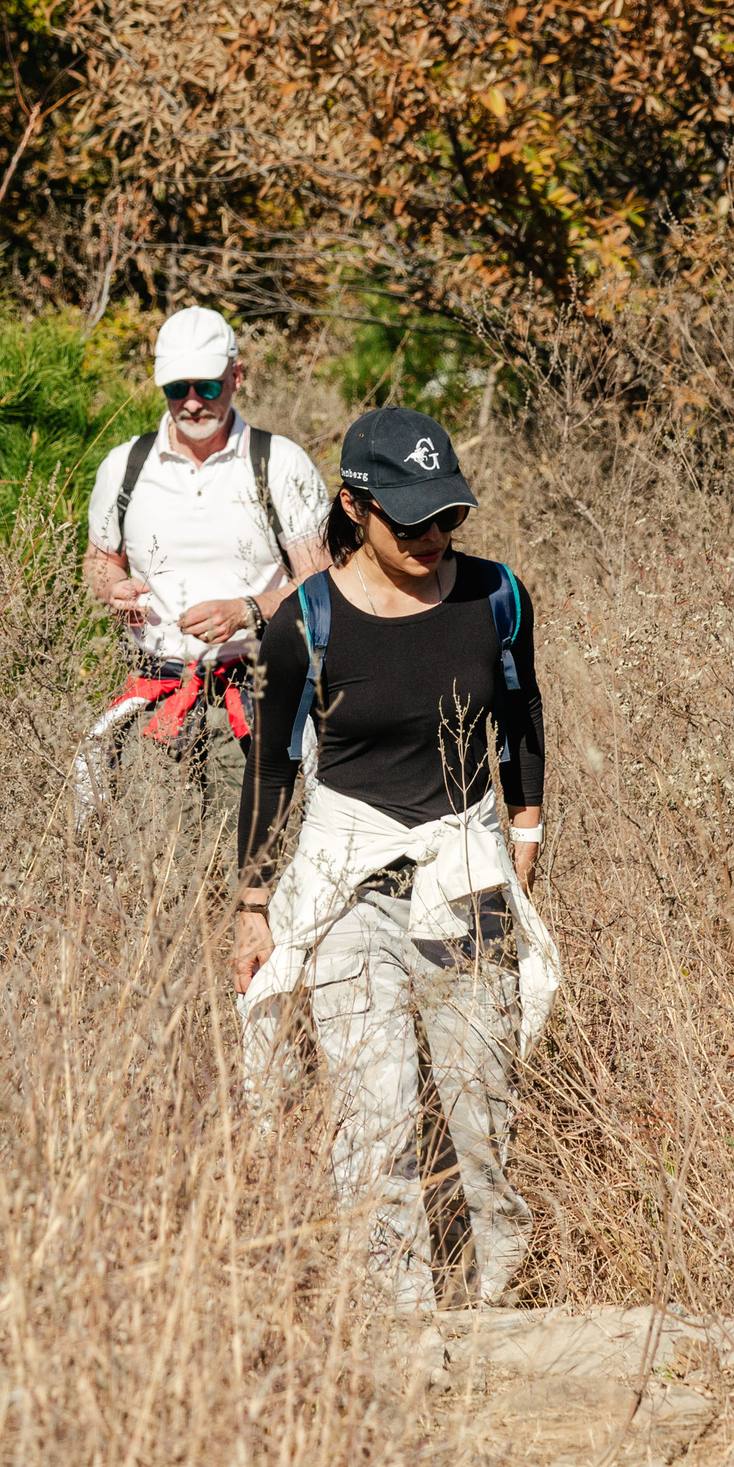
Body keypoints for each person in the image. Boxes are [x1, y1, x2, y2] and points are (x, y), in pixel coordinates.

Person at [234, 405, 554, 1310]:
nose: (431, 536)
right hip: (350, 881)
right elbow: (272, 763)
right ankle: (399, 1319)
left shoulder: (497, 596)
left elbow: (524, 726)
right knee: (375, 1116)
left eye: (446, 516)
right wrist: (253, 905)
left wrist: (523, 849)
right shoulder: (305, 620)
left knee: (482, 1112)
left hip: (465, 874)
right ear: (355, 507)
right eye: (409, 519)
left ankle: (500, 1300)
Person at [78, 306, 330, 817]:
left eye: (208, 387)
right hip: (156, 697)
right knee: (159, 880)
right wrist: (115, 587)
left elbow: (324, 581)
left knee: (255, 872)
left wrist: (249, 611)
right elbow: (98, 562)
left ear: (236, 377)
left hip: (257, 697)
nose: (192, 403)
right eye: (178, 389)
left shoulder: (278, 463)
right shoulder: (125, 466)